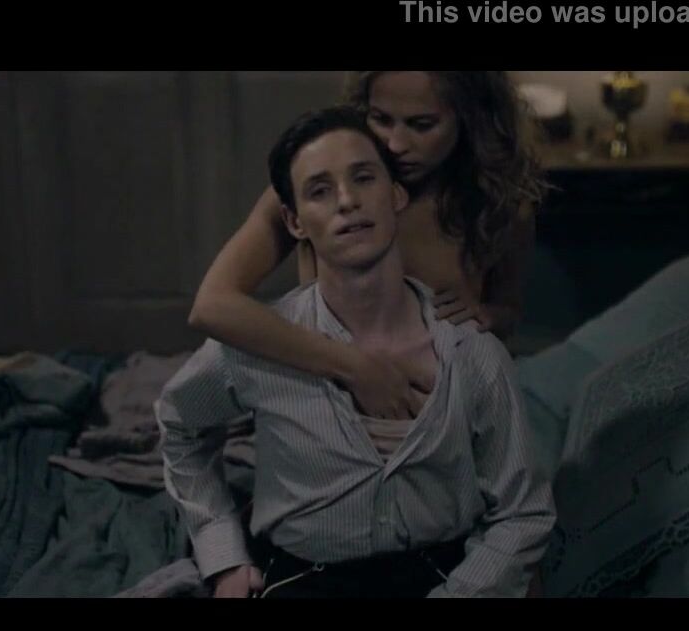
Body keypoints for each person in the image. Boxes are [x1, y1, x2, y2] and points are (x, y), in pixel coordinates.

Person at [156, 106, 555, 598]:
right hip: (305, 578)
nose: (347, 201)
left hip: (445, 578)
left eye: (363, 178)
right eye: (320, 191)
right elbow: (180, 427)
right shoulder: (257, 346)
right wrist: (223, 556)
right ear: (294, 221)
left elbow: (523, 511)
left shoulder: (472, 353)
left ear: (396, 195)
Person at [187, 71, 547, 420]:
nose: (396, 144)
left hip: (439, 411)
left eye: (422, 125)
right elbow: (212, 306)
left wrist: (488, 315)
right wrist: (355, 368)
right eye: (381, 119)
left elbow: (507, 311)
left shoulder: (497, 202)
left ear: (471, 117)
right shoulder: (316, 194)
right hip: (327, 405)